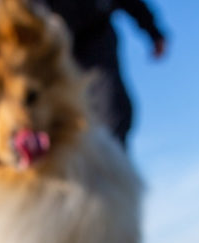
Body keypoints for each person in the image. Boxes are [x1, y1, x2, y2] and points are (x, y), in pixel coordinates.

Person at [34, 0, 167, 148]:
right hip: (54, 46)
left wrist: (153, 31)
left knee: (112, 109)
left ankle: (111, 162)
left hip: (96, 36)